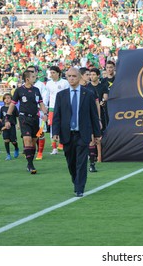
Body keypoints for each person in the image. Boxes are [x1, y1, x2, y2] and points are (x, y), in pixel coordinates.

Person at [52, 67, 101, 197]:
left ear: (79, 77)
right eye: (69, 76)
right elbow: (57, 115)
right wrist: (55, 132)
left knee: (81, 162)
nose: (72, 78)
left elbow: (93, 115)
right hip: (67, 134)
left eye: (74, 76)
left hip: (82, 134)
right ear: (66, 78)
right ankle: (76, 181)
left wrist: (97, 134)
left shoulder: (88, 94)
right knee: (71, 162)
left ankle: (80, 187)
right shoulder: (61, 95)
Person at [5, 70, 48, 174]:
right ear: (27, 79)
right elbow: (12, 104)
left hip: (35, 119)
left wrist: (45, 114)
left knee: (33, 142)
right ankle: (30, 165)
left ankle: (29, 162)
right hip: (24, 118)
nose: (35, 78)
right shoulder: (19, 90)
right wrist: (7, 118)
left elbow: (41, 104)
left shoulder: (37, 90)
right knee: (27, 139)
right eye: (33, 76)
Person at [45, 66, 69, 155]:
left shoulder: (65, 83)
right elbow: (47, 96)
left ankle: (63, 144)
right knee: (52, 127)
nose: (51, 74)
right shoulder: (48, 84)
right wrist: (45, 106)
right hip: (52, 108)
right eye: (50, 73)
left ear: (58, 73)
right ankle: (54, 148)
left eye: (53, 73)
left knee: (64, 126)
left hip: (63, 108)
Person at [27, 65, 49, 160]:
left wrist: (43, 111)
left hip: (38, 112)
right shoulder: (25, 85)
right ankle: (30, 150)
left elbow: (44, 99)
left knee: (40, 132)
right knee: (29, 133)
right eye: (29, 71)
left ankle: (40, 152)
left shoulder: (41, 86)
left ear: (36, 72)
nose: (31, 73)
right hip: (28, 113)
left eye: (32, 71)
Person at [0, 93, 20, 160]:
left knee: (13, 141)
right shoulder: (2, 108)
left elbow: (18, 116)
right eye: (5, 98)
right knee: (6, 140)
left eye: (9, 98)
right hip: (4, 127)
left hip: (12, 126)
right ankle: (8, 154)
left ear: (11, 99)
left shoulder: (14, 107)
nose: (7, 99)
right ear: (3, 100)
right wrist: (0, 127)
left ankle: (16, 148)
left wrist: (18, 125)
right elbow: (1, 118)